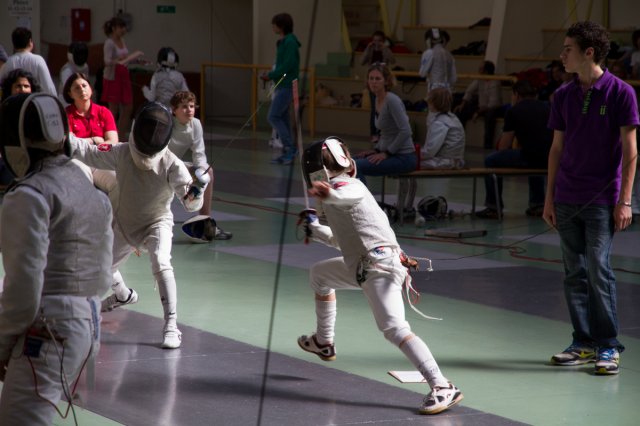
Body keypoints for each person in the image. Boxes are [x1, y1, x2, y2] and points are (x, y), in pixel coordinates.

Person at [297, 137, 463, 415]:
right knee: (320, 275)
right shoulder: (336, 193)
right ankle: (324, 342)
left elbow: (344, 195)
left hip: (380, 267)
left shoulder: (349, 187)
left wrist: (328, 195)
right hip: (361, 266)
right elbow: (344, 241)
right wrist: (315, 228)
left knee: (394, 328)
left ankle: (443, 386)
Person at [0, 93, 113, 424]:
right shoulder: (84, 184)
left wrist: (1, 345)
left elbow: (23, 292)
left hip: (49, 330)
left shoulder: (29, 195)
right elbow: (103, 276)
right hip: (87, 325)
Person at [69, 102, 207, 349]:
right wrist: (60, 137)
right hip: (124, 224)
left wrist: (197, 191)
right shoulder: (121, 152)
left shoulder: (172, 164)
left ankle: (171, 326)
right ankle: (123, 295)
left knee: (161, 262)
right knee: (101, 270)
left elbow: (190, 205)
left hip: (157, 222)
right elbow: (85, 150)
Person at [544, 21, 638, 375]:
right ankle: (582, 342)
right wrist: (549, 199)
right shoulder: (562, 96)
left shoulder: (621, 93)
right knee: (574, 273)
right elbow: (556, 149)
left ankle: (608, 345)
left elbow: (631, 151)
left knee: (599, 269)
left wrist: (625, 201)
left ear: (589, 52)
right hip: (566, 197)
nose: (562, 55)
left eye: (568, 49)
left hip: (601, 201)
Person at [476, 80, 552, 219]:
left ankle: (493, 207)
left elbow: (504, 146)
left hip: (530, 156)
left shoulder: (514, 110)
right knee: (537, 157)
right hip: (550, 157)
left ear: (516, 94)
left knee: (491, 160)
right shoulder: (547, 108)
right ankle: (538, 204)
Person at [168, 90, 232, 241]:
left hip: (177, 165)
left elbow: (199, 154)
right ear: (174, 110)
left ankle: (205, 223)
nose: (189, 110)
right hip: (161, 166)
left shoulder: (195, 124)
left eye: (191, 106)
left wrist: (201, 173)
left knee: (208, 172)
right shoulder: (168, 124)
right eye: (184, 107)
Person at [354, 63, 417, 212]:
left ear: (386, 81)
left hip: (404, 157)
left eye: (378, 79)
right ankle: (356, 204)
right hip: (390, 154)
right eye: (371, 78)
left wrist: (386, 153)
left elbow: (406, 131)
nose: (373, 82)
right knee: (349, 162)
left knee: (356, 166)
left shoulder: (392, 100)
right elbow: (386, 133)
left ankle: (366, 209)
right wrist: (376, 150)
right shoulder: (376, 99)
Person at [401, 88, 465, 214]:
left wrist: (409, 154)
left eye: (430, 101)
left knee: (405, 165)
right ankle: (406, 205)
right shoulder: (451, 118)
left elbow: (429, 152)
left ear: (435, 103)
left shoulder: (440, 123)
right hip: (450, 160)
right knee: (408, 162)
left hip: (445, 161)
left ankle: (405, 206)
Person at [260, 12, 301, 165]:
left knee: (273, 116)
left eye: (274, 24)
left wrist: (272, 75)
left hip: (287, 85)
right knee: (283, 117)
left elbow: (288, 66)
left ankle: (290, 147)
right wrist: (272, 75)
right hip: (282, 84)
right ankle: (288, 152)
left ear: (281, 26)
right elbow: (281, 65)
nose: (273, 27)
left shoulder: (290, 42)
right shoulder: (284, 42)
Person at [101, 16, 144, 137]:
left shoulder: (122, 40)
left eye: (124, 27)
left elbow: (126, 58)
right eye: (121, 27)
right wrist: (118, 60)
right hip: (112, 77)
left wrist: (136, 61)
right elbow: (107, 61)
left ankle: (120, 135)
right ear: (114, 28)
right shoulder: (109, 43)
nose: (123, 30)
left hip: (123, 75)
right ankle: (110, 135)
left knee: (128, 107)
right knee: (113, 109)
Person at [453, 60, 503, 149]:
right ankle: (458, 142)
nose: (478, 71)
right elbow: (469, 91)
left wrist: (478, 112)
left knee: (490, 116)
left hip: (492, 108)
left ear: (486, 72)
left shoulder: (495, 82)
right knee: (460, 112)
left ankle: (487, 147)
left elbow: (493, 104)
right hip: (481, 106)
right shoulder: (480, 78)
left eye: (480, 69)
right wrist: (462, 104)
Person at [361, 30, 396, 143]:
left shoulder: (385, 50)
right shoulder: (370, 50)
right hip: (373, 83)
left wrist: (385, 48)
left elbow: (393, 60)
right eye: (374, 40)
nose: (376, 43)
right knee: (374, 109)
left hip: (383, 82)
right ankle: (374, 133)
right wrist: (367, 48)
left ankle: (383, 132)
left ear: (383, 41)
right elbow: (362, 61)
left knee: (384, 108)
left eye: (379, 41)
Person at [0, 27, 56, 96]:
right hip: (33, 100)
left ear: (14, 44)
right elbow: (49, 88)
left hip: (13, 101)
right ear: (30, 42)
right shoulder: (38, 60)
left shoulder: (7, 63)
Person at [419, 28, 457, 92]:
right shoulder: (449, 55)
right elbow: (453, 79)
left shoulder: (429, 53)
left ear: (429, 40)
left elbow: (422, 73)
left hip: (435, 90)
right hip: (447, 90)